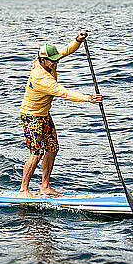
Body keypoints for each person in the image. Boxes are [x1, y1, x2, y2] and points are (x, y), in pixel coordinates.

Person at [19, 30, 102, 198]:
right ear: (42, 61)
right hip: (31, 116)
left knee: (52, 149)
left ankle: (45, 187)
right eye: (53, 61)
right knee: (36, 153)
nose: (56, 63)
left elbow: (65, 50)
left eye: (56, 60)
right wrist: (88, 98)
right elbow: (64, 93)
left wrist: (77, 41)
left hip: (44, 115)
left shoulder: (46, 60)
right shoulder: (41, 78)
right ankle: (23, 190)